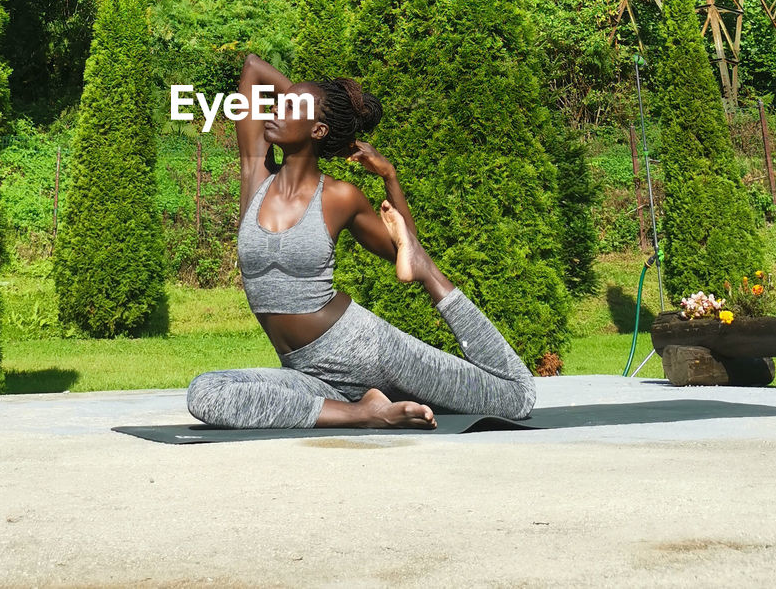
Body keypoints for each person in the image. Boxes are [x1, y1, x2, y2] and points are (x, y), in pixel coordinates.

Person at [185, 53, 537, 430]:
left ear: (317, 131)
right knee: (206, 392)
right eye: (280, 103)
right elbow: (253, 68)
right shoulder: (255, 175)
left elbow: (403, 245)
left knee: (516, 397)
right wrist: (308, 108)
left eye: (291, 106)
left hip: (366, 349)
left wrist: (389, 175)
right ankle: (365, 412)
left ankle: (430, 277)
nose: (276, 109)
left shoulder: (340, 197)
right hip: (309, 372)